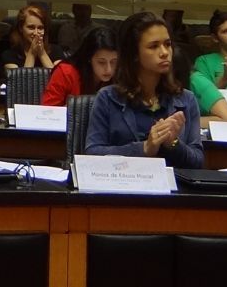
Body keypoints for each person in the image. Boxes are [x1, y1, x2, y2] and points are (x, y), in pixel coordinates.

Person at [85, 10, 203, 168]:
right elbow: (92, 154)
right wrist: (145, 149)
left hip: (173, 189)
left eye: (167, 44)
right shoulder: (108, 98)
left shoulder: (186, 100)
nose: (164, 53)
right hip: (122, 188)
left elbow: (198, 161)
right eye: (154, 46)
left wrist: (173, 144)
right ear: (134, 53)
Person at [41, 25, 117, 106]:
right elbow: (48, 111)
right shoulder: (65, 73)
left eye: (113, 62)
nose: (109, 69)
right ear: (89, 58)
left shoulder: (120, 75)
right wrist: (72, 109)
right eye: (101, 62)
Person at [0, 5, 55, 72]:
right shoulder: (9, 55)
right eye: (31, 27)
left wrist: (42, 53)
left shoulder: (56, 52)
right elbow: (21, 81)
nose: (36, 33)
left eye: (40, 28)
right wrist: (32, 53)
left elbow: (60, 80)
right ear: (21, 28)